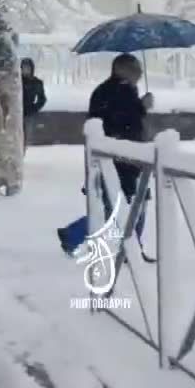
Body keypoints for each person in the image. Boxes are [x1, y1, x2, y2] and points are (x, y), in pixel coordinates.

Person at [56, 53, 154, 254]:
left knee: (124, 203)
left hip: (122, 157)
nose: (140, 74)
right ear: (121, 69)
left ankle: (129, 247)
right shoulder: (117, 91)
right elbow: (122, 122)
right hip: (120, 159)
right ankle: (128, 248)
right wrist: (141, 107)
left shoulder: (117, 90)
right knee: (127, 204)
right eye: (136, 70)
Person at [21, 58, 47, 153]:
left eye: (28, 68)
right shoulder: (17, 82)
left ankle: (22, 152)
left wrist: (34, 108)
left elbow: (42, 99)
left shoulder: (37, 82)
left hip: (28, 113)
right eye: (23, 68)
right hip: (16, 113)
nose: (25, 70)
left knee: (26, 135)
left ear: (32, 69)